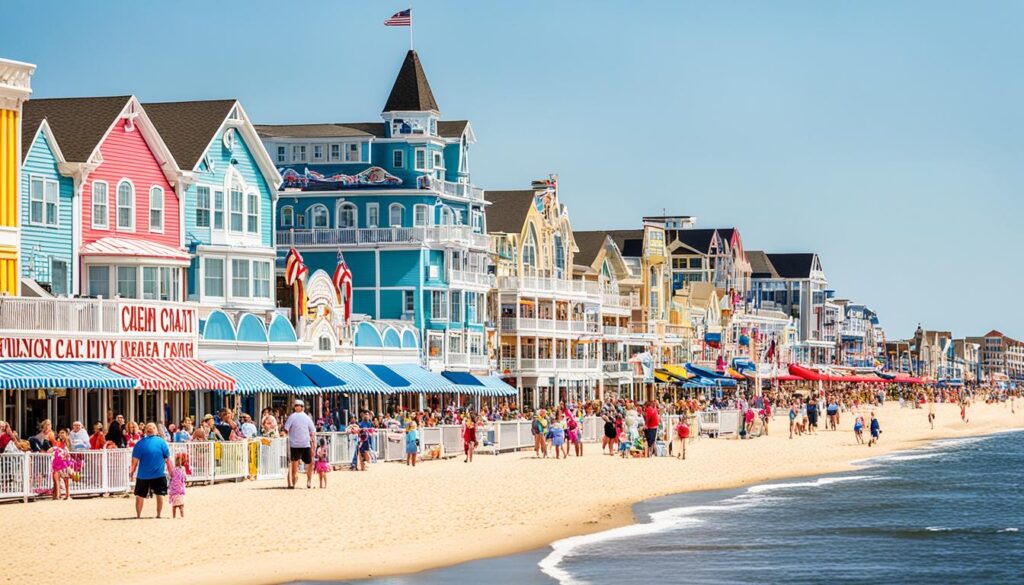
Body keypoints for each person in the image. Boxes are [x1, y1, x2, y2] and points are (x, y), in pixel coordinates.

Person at [129, 423, 173, 519]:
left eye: (152, 427)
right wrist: (171, 472)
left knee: (150, 495)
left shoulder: (141, 443)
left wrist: (131, 473)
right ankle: (152, 515)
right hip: (149, 475)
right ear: (145, 430)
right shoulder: (157, 442)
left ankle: (144, 515)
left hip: (150, 475)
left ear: (156, 430)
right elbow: (167, 460)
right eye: (149, 427)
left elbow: (167, 460)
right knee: (154, 494)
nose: (150, 428)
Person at [283, 400, 317, 489]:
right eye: (296, 405)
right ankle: (303, 481)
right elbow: (313, 431)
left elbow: (286, 429)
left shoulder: (294, 417)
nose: (297, 407)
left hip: (301, 443)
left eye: (298, 405)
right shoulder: (305, 417)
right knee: (303, 464)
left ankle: (305, 481)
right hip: (300, 444)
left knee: (303, 463)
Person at [50, 430, 75, 500]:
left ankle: (67, 495)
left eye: (63, 433)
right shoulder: (58, 442)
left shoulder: (67, 440)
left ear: (66, 434)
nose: (61, 434)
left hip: (65, 462)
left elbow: (67, 448)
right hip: (58, 461)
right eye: (60, 433)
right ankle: (58, 495)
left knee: (66, 479)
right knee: (57, 479)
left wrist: (57, 448)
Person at [169, 452, 190, 518]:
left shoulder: (173, 469)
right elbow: (184, 477)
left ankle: (174, 517)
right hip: (180, 489)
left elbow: (171, 476)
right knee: (181, 505)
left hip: (174, 490)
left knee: (174, 506)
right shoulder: (182, 469)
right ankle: (182, 516)